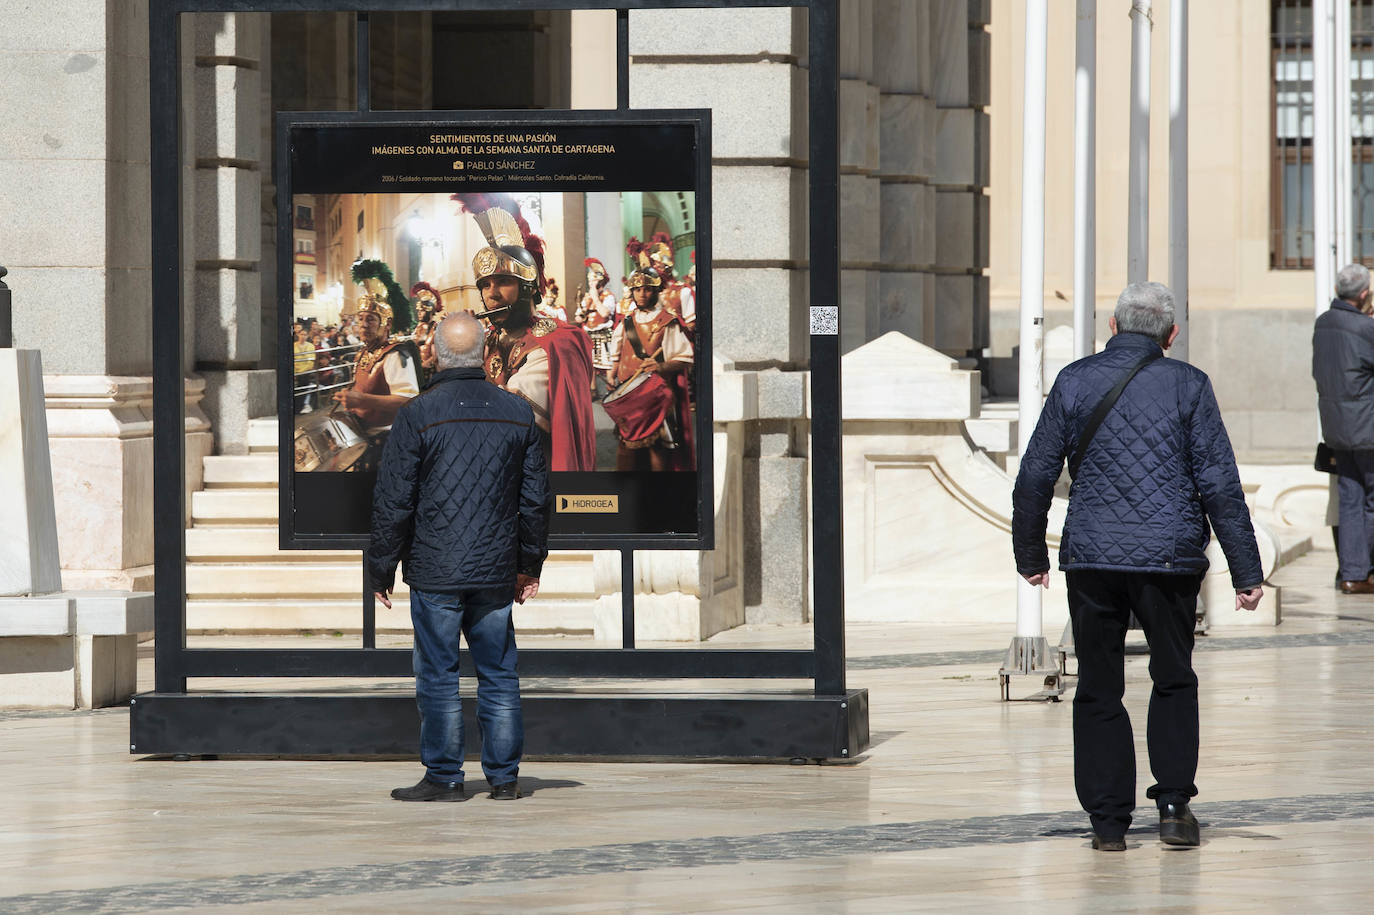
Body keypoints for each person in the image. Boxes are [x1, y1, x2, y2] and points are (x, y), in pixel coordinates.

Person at [1012, 282, 1264, 852]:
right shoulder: (1190, 384)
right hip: (1168, 559)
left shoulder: (1074, 380)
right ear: (1171, 335)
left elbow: (1035, 476)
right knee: (1173, 678)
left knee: (1098, 686)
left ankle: (1108, 823)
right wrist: (1246, 571)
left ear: (1112, 326)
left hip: (1093, 557)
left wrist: (1031, 555)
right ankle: (1173, 807)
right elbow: (1219, 485)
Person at [367, 311, 548, 803]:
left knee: (439, 675)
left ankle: (445, 778)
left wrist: (381, 568)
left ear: (437, 355)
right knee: (498, 673)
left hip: (435, 569)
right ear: (483, 353)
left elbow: (394, 500)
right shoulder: (517, 412)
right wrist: (529, 565)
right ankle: (505, 780)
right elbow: (535, 500)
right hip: (495, 569)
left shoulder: (417, 413)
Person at [455, 194, 597, 471]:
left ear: (529, 288)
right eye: (485, 285)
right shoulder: (491, 338)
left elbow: (504, 418)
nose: (492, 294)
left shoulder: (554, 344)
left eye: (503, 281)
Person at [1313, 263, 1374, 594]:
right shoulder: (1365, 327)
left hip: (1336, 427)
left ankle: (1352, 573)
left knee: (1350, 498)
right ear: (1364, 294)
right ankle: (1364, 571)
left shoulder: (1323, 323)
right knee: (1370, 500)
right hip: (1367, 428)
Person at [606, 264, 695, 471]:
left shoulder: (667, 321)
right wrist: (611, 374)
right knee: (626, 446)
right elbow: (617, 352)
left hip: (654, 393)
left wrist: (660, 366)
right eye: (637, 289)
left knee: (656, 447)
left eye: (647, 289)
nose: (642, 294)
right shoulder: (626, 321)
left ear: (655, 291)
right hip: (628, 393)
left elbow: (684, 357)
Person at [332, 259, 420, 434]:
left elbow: (408, 401)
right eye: (360, 319)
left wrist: (362, 400)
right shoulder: (362, 353)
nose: (363, 325)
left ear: (387, 324)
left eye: (371, 319)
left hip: (386, 434)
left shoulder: (395, 355)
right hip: (361, 429)